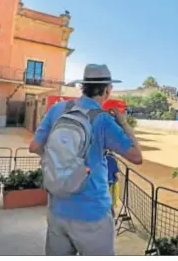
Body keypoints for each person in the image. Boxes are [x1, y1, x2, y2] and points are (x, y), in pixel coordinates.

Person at [29, 64, 142, 256]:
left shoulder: (57, 110)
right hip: (92, 214)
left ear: (84, 87)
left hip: (57, 208)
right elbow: (136, 156)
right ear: (107, 90)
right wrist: (123, 123)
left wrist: (61, 161)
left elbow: (34, 147)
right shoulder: (103, 120)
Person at [105, 151, 119, 218]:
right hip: (110, 183)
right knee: (110, 200)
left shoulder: (99, 159)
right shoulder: (113, 160)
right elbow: (116, 174)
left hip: (101, 184)